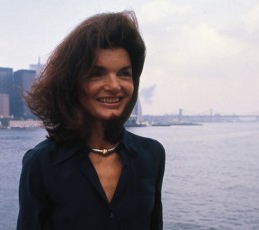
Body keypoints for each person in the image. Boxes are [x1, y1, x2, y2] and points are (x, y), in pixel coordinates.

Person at [17, 10, 166, 230]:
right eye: (97, 73)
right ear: (72, 82)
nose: (114, 85)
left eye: (124, 73)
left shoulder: (152, 156)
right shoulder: (42, 164)